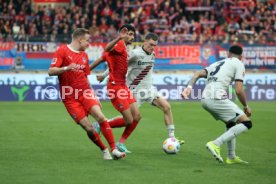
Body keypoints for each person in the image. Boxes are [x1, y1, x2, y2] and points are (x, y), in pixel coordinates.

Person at [91, 33, 185, 145]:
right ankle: (102, 124)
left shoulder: (153, 54)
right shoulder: (135, 54)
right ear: (144, 42)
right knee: (129, 120)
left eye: (155, 45)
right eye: (151, 44)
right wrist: (104, 74)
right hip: (135, 91)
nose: (153, 47)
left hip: (149, 90)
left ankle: (172, 138)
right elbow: (119, 65)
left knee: (167, 107)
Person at [48, 28, 126, 160]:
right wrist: (66, 68)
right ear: (80, 39)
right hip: (70, 98)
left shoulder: (84, 55)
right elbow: (51, 71)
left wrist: (93, 94)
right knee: (89, 128)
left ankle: (114, 149)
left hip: (85, 93)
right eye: (88, 40)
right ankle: (104, 149)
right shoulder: (62, 51)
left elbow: (85, 77)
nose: (89, 43)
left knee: (101, 117)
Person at [181, 45, 252, 164]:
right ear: (241, 56)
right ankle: (215, 143)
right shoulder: (239, 63)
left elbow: (197, 74)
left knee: (231, 123)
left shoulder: (216, 63)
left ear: (228, 54)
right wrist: (246, 106)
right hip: (216, 96)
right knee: (246, 123)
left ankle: (231, 157)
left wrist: (188, 87)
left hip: (205, 98)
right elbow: (239, 90)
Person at [91, 24, 141, 153]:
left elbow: (101, 59)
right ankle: (102, 125)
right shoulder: (119, 44)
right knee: (129, 120)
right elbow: (107, 49)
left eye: (132, 34)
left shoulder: (122, 48)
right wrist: (119, 38)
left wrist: (89, 71)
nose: (132, 36)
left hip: (123, 85)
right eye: (129, 34)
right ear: (122, 33)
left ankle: (119, 140)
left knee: (137, 116)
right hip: (115, 87)